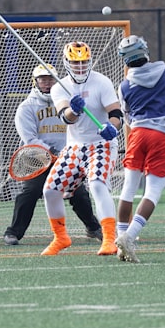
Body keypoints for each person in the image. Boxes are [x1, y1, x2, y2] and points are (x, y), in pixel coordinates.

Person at [4, 64, 102, 245]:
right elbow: (30, 139)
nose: (47, 83)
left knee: (78, 193)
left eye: (50, 79)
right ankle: (13, 232)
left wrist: (69, 151)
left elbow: (78, 128)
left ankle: (93, 228)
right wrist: (50, 153)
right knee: (30, 192)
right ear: (35, 81)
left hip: (66, 157)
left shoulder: (66, 103)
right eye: (43, 79)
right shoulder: (26, 107)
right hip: (38, 159)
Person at [41, 41, 123, 256]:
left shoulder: (101, 82)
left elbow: (116, 114)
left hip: (101, 145)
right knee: (50, 191)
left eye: (84, 61)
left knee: (97, 184)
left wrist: (112, 128)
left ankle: (109, 239)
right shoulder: (59, 87)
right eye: (75, 62)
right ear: (67, 63)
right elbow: (65, 118)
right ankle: (61, 237)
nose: (80, 66)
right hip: (75, 147)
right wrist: (74, 111)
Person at [112, 35, 165, 263]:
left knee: (128, 188)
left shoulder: (124, 85)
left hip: (137, 135)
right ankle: (129, 237)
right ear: (145, 51)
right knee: (152, 192)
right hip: (162, 136)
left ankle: (120, 238)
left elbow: (127, 116)